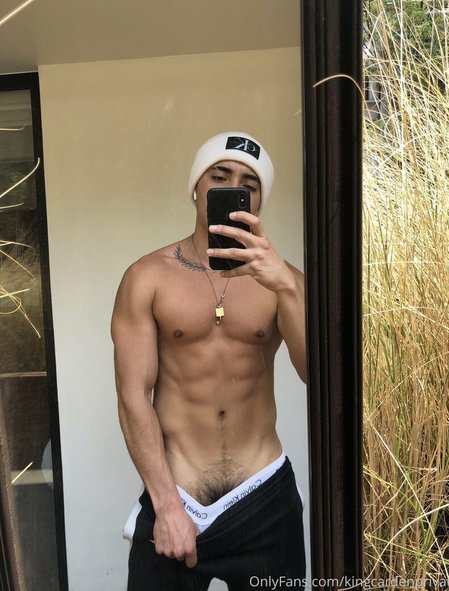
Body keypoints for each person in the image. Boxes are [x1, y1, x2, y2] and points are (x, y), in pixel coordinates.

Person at [111, 131, 307, 591]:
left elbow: (317, 375)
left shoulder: (285, 282)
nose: (233, 188)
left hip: (264, 494)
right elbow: (132, 396)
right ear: (196, 187)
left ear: (258, 201)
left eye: (248, 184)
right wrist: (165, 507)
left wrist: (286, 284)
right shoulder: (147, 277)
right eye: (220, 177)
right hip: (176, 498)